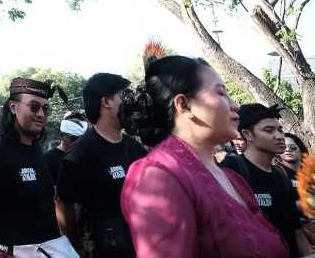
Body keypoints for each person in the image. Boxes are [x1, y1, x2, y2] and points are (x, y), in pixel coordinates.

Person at [120, 55, 289, 257]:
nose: (235, 105)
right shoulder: (158, 176)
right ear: (184, 105)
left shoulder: (233, 179)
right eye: (221, 93)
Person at [0, 77, 79, 258]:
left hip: (47, 250)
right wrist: (0, 238)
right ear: (13, 107)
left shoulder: (36, 149)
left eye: (45, 109)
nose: (41, 114)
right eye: (34, 107)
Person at [57, 73, 147, 258]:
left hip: (141, 244)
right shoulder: (80, 153)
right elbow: (65, 207)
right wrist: (76, 247)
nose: (131, 102)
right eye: (125, 95)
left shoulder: (135, 147)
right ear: (106, 102)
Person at [219, 103, 312, 257]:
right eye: (269, 130)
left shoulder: (281, 175)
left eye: (280, 130)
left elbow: (296, 229)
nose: (279, 136)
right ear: (247, 135)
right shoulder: (231, 169)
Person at [45, 111, 87, 184]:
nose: (78, 143)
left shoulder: (85, 156)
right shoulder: (49, 159)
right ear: (63, 136)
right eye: (74, 139)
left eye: (81, 140)